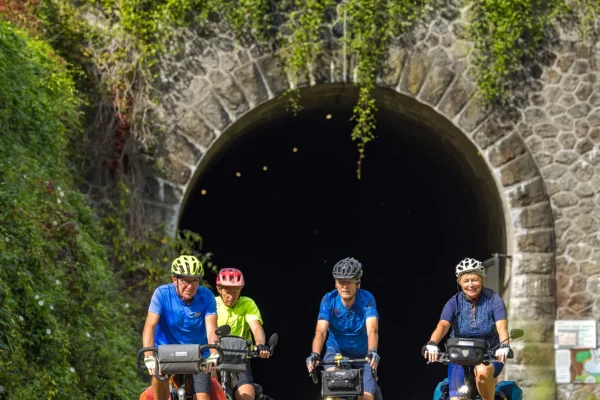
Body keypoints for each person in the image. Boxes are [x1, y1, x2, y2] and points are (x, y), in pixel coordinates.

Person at [423, 257, 510, 400]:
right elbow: (443, 325)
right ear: (459, 283)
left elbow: (502, 326)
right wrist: (432, 343)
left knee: (483, 371)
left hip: (489, 354)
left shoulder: (494, 299)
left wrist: (505, 345)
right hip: (459, 356)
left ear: (482, 279)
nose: (471, 285)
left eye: (474, 279)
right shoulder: (454, 302)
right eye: (466, 281)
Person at [142, 255, 219, 400]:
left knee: (203, 397)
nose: (190, 286)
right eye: (185, 281)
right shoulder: (161, 294)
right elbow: (149, 327)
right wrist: (149, 358)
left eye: (194, 280)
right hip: (166, 353)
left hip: (198, 354)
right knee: (158, 377)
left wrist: (214, 354)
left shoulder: (207, 296)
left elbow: (211, 330)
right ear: (174, 279)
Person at [306, 257, 380, 400]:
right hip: (336, 353)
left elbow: (372, 329)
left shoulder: (367, 299)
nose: (344, 286)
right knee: (332, 393)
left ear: (358, 283)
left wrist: (372, 351)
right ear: (335, 283)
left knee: (366, 397)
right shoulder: (329, 299)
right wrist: (315, 354)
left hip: (363, 355)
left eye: (349, 282)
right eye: (341, 282)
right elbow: (321, 331)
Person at [215, 267, 270, 400]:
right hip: (214, 358)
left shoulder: (247, 303)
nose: (232, 296)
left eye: (236, 292)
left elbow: (256, 327)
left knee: (246, 397)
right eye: (228, 292)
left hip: (239, 360)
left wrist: (260, 344)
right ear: (219, 289)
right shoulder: (212, 303)